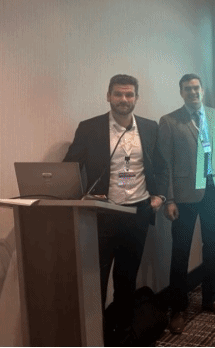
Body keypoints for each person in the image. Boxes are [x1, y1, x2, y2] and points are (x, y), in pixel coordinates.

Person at [63, 74, 168, 341]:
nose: (124, 99)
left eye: (129, 94)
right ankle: (95, 337)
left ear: (136, 98)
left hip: (138, 213)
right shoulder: (89, 128)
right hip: (103, 214)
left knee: (126, 278)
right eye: (118, 94)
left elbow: (160, 166)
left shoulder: (150, 127)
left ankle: (123, 335)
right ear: (108, 96)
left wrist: (159, 196)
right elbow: (70, 168)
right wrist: (78, 196)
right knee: (95, 280)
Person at [159, 73, 215, 334]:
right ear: (181, 93)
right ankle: (178, 308)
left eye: (196, 88)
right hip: (184, 195)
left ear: (202, 90)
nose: (193, 92)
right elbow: (165, 164)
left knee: (212, 247)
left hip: (214, 190)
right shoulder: (169, 121)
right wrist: (169, 199)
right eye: (187, 89)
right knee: (180, 251)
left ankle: (211, 298)